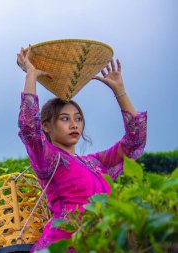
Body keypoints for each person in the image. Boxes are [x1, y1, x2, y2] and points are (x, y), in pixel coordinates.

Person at [17, 45, 147, 252]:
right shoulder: (49, 158)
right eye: (65, 119)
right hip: (60, 246)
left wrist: (119, 90)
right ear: (47, 126)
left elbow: (135, 141)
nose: (74, 124)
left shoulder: (96, 162)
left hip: (98, 245)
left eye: (78, 119)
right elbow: (29, 127)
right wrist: (31, 75)